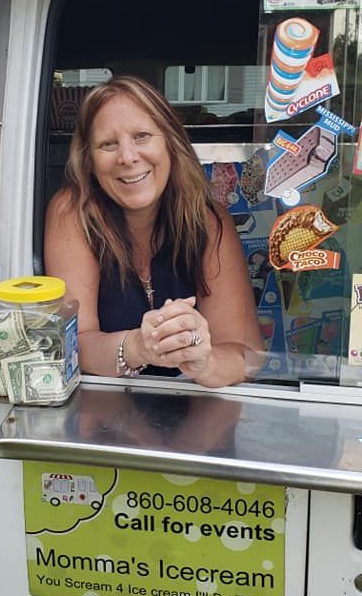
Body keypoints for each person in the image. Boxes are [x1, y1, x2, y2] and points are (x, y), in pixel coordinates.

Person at [44, 76, 263, 388]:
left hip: (196, 418)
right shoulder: (73, 211)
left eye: (142, 136)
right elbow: (75, 344)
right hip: (104, 414)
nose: (128, 157)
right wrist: (138, 347)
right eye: (108, 144)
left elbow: (247, 355)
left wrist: (204, 362)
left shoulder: (209, 219)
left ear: (170, 143)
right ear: (89, 160)